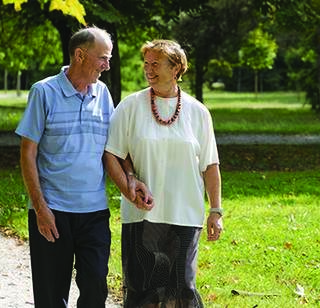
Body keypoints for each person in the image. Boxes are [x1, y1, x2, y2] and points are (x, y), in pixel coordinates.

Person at [16, 26, 148, 308]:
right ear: (80, 55)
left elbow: (113, 148)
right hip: (53, 211)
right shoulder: (44, 92)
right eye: (103, 58)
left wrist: (131, 178)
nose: (107, 65)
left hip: (93, 212)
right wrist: (40, 208)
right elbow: (28, 154)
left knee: (95, 285)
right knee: (51, 295)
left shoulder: (102, 94)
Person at [104, 39, 223, 307]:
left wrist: (216, 210)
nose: (149, 69)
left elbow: (210, 164)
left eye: (156, 64)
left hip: (185, 215)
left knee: (182, 291)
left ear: (177, 67)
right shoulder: (131, 106)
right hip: (142, 216)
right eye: (146, 63)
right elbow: (112, 154)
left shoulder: (198, 112)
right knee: (143, 292)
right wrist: (128, 189)